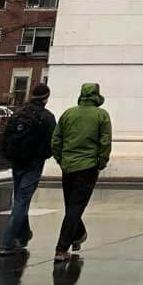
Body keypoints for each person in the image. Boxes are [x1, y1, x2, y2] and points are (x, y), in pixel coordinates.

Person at [51, 82, 112, 262]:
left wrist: (61, 159)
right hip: (87, 167)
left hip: (68, 166)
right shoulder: (102, 115)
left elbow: (56, 140)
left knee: (71, 206)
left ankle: (78, 235)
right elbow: (106, 141)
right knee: (75, 208)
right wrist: (101, 162)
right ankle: (61, 248)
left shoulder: (68, 113)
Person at [0, 82, 55, 257]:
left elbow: (6, 136)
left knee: (20, 199)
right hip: (34, 163)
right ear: (46, 97)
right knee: (21, 202)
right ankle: (7, 242)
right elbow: (53, 141)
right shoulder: (47, 117)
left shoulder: (19, 113)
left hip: (17, 162)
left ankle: (23, 235)